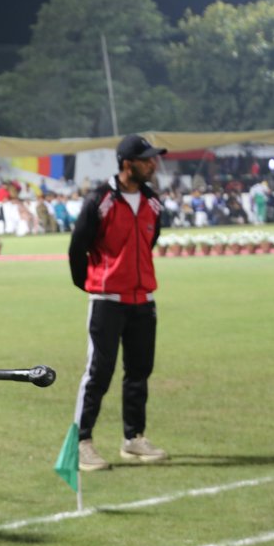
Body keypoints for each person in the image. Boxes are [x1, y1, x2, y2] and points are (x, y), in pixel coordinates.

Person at [68, 134, 169, 472]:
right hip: (107, 300)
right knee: (99, 373)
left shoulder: (153, 202)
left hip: (143, 299)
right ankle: (81, 442)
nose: (154, 164)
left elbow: (150, 240)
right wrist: (92, 284)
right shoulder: (101, 200)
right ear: (128, 164)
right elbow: (78, 245)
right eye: (147, 159)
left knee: (139, 373)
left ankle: (133, 438)